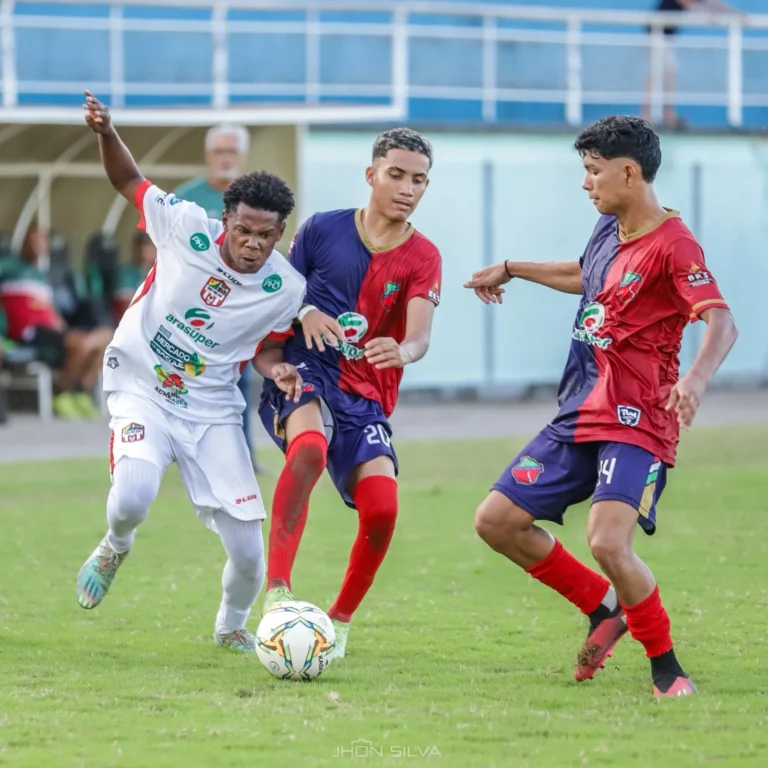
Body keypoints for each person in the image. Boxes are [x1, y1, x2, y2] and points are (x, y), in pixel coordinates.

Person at [464, 116, 738, 697]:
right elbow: (582, 275)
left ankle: (667, 668)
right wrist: (512, 267)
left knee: (609, 541)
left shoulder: (675, 244)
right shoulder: (607, 230)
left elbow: (721, 318)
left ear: (628, 172)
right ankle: (602, 609)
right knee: (495, 521)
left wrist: (695, 376)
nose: (586, 184)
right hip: (578, 413)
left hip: (637, 417)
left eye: (593, 172)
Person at [75, 91, 306, 652]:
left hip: (211, 411)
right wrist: (107, 132)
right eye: (243, 229)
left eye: (265, 235)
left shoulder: (285, 289)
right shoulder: (185, 226)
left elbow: (270, 349)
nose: (252, 244)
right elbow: (128, 180)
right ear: (224, 218)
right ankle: (115, 544)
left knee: (251, 554)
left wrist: (278, 372)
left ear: (280, 234)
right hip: (143, 386)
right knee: (133, 496)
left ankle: (230, 628)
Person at [258, 127, 442, 659]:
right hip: (305, 371)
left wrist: (403, 352)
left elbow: (421, 335)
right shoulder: (321, 230)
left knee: (382, 508)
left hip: (366, 395)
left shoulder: (423, 256)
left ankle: (339, 623)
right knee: (310, 449)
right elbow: (279, 295)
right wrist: (303, 309)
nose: (408, 188)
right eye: (397, 175)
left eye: (420, 180)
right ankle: (277, 590)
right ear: (372, 175)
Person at [172, 124, 263, 471]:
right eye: (219, 152)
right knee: (188, 384)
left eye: (231, 152)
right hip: (193, 311)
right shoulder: (187, 197)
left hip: (238, 313)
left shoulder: (256, 201)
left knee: (238, 387)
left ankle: (244, 457)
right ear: (207, 156)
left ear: (242, 156)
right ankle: (184, 455)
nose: (225, 159)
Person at [0, 226, 110, 420]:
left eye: (41, 241)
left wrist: (61, 326)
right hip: (29, 332)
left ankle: (79, 392)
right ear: (24, 243)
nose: (37, 245)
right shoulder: (9, 268)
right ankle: (60, 394)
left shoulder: (42, 277)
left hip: (51, 330)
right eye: (32, 240)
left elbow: (48, 309)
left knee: (105, 340)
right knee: (80, 344)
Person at [642, 0, 740, 129]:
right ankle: (653, 114)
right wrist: (706, 15)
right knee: (662, 72)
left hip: (664, 36)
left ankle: (663, 113)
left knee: (666, 71)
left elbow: (710, 2)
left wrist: (733, 12)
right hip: (657, 33)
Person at [112, 230, 156, 324]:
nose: (144, 250)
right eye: (142, 244)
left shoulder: (160, 273)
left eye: (149, 244)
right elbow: (127, 306)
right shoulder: (126, 272)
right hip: (128, 324)